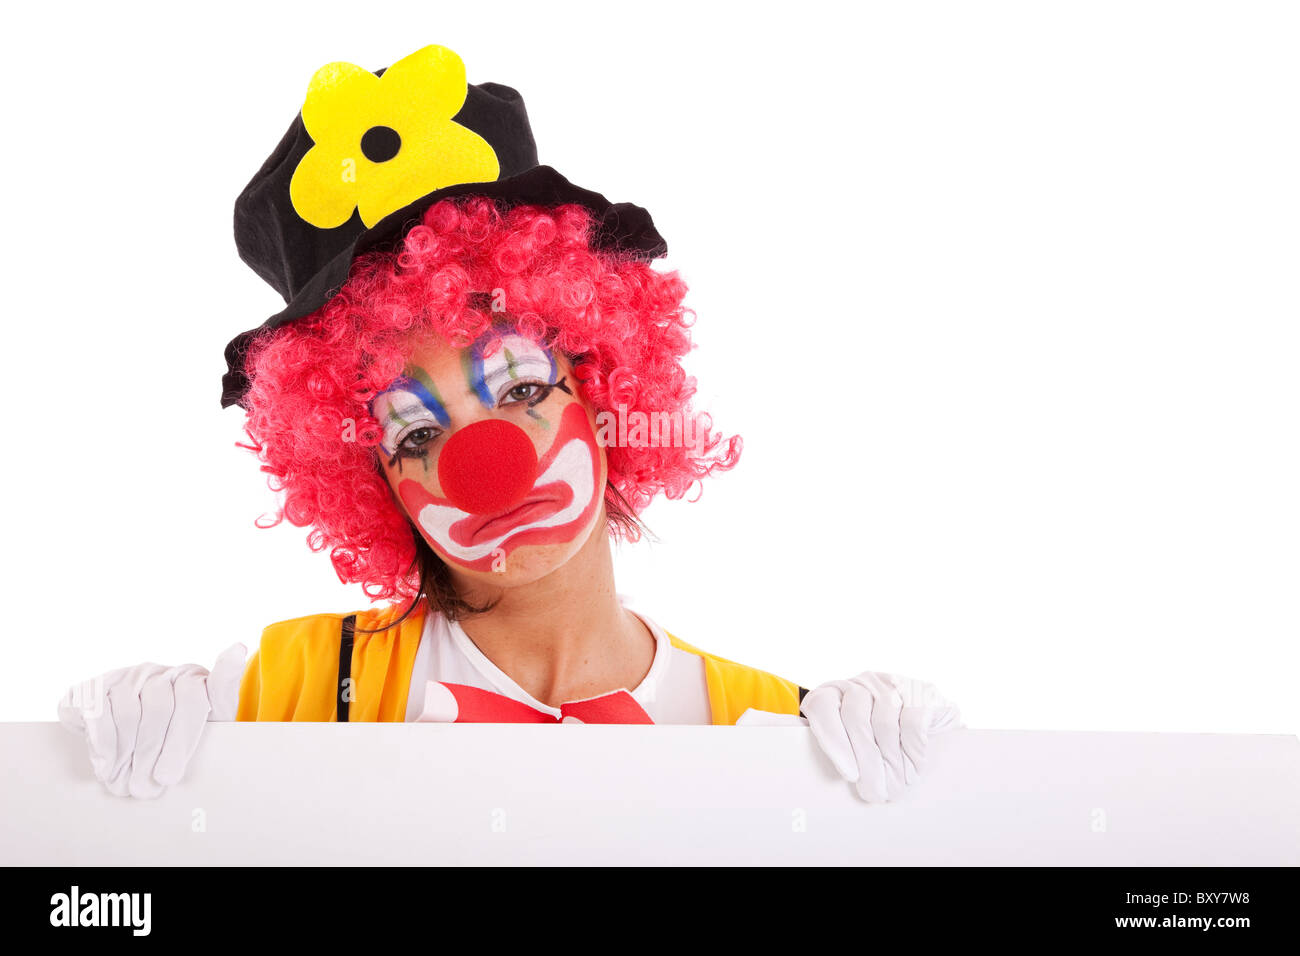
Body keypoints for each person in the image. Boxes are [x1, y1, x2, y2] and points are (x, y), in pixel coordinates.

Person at [57, 42, 962, 805]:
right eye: (414, 435)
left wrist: (924, 803)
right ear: (374, 485)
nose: (481, 464)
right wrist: (72, 790)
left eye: (523, 389)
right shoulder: (286, 692)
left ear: (604, 389)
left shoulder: (769, 731)